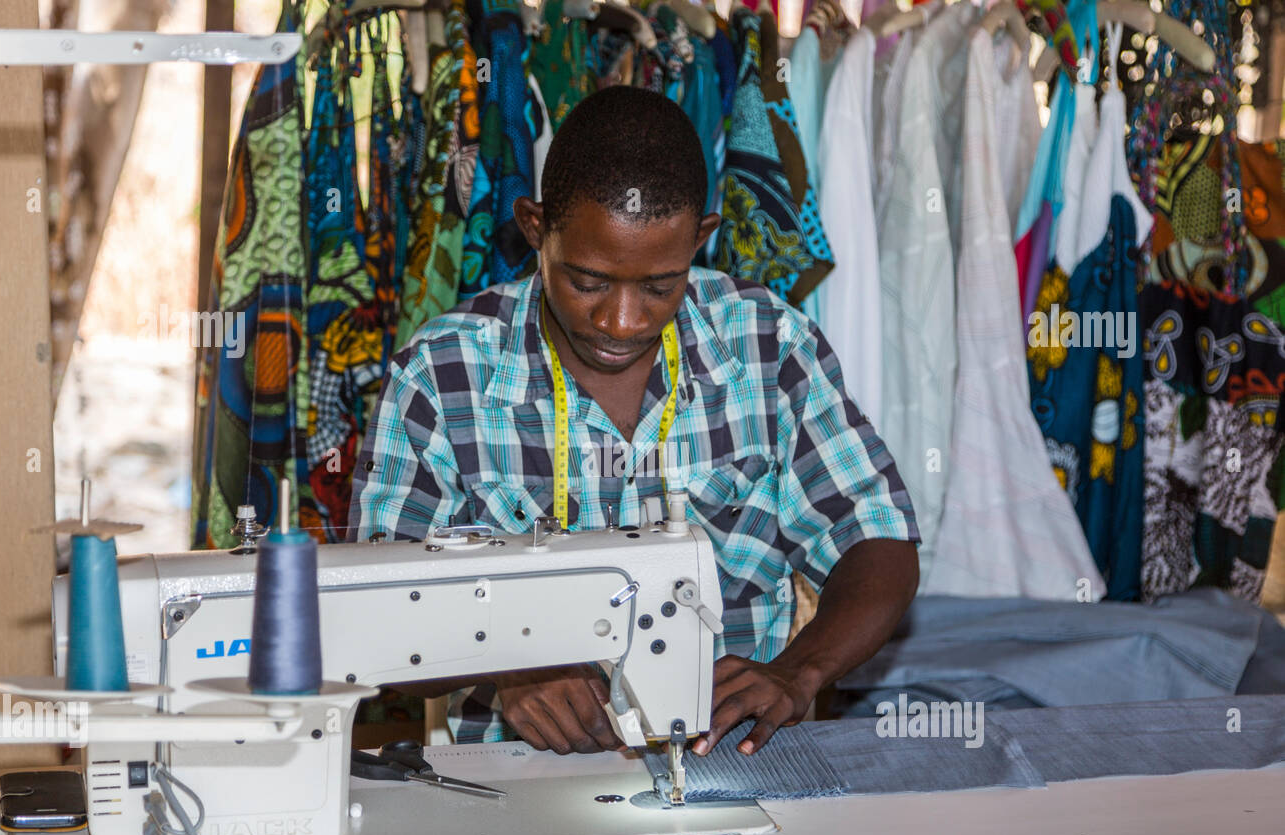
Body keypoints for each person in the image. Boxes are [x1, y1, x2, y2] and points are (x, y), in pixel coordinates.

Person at [349, 86, 919, 757]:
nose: (622, 321)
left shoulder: (770, 345)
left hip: (725, 760)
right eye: (588, 282)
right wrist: (509, 663)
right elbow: (379, 606)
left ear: (702, 238)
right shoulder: (442, 377)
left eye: (659, 286)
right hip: (514, 778)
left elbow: (877, 540)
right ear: (534, 227)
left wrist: (799, 672)